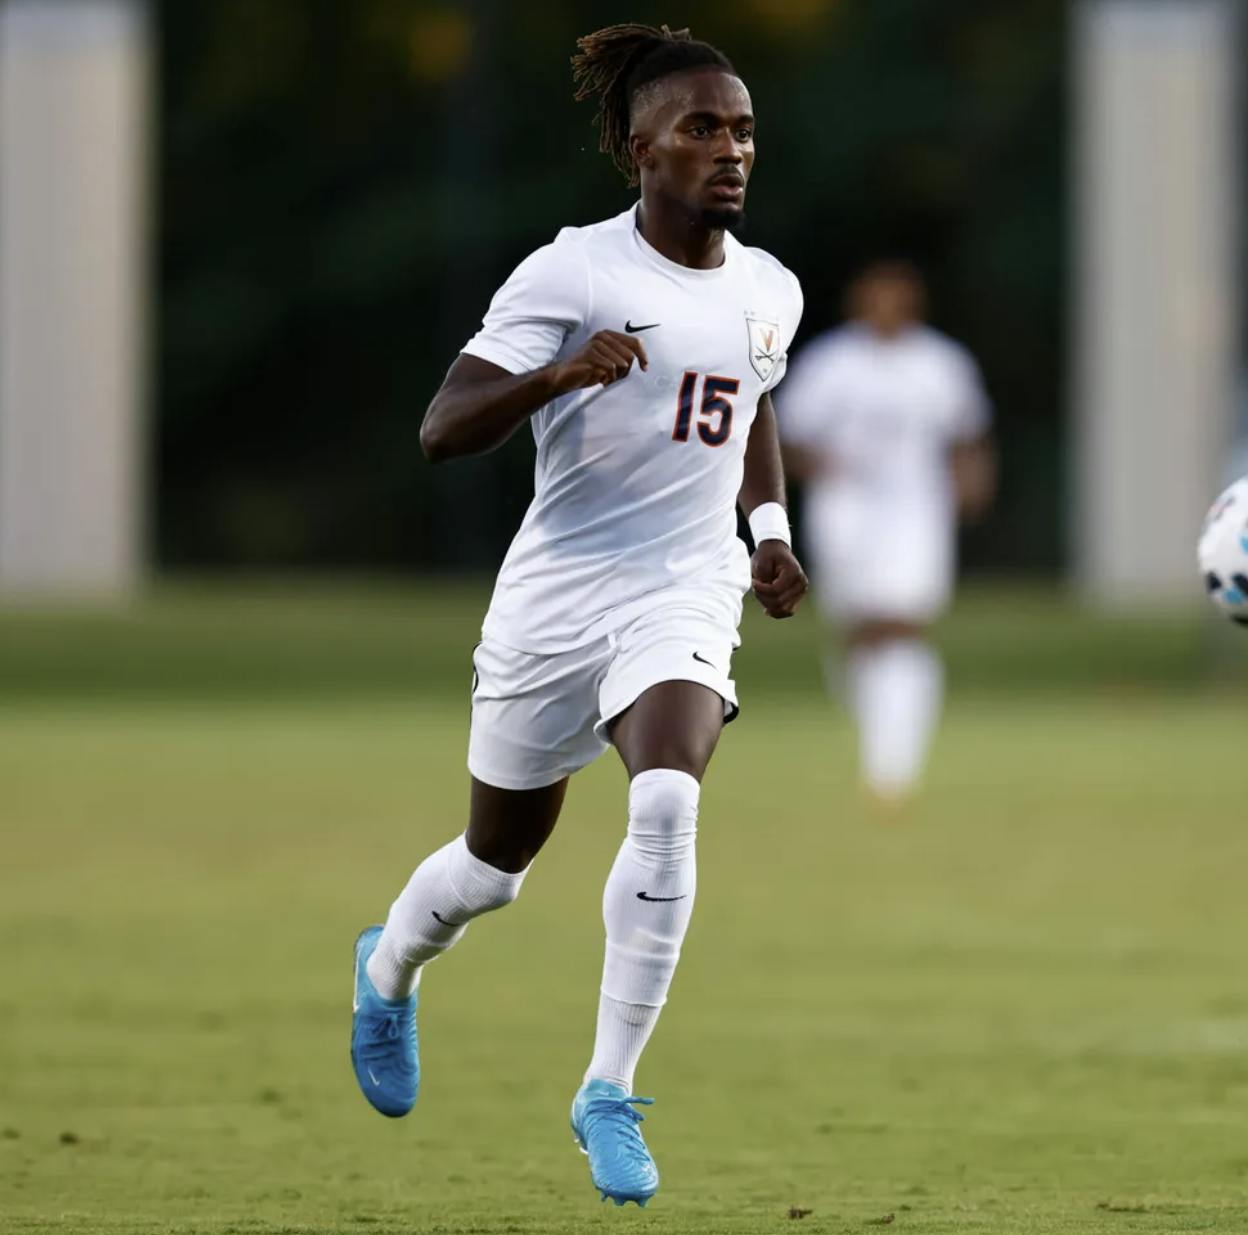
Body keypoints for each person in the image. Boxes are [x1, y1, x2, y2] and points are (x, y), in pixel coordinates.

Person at [346, 23, 808, 1208]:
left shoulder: (771, 289)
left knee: (664, 798)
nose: (730, 148)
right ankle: (389, 967)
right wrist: (557, 374)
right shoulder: (573, 273)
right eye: (702, 127)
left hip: (684, 589)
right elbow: (442, 429)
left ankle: (608, 1086)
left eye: (742, 127)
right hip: (556, 595)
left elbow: (752, 409)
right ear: (638, 147)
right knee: (494, 866)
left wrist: (768, 538)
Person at [774, 260, 995, 809]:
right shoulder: (831, 363)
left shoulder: (940, 363)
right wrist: (820, 467)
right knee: (860, 631)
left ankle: (892, 768)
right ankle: (879, 731)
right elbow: (789, 435)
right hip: (845, 510)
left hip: (916, 510)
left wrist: (971, 483)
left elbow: (968, 433)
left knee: (902, 625)